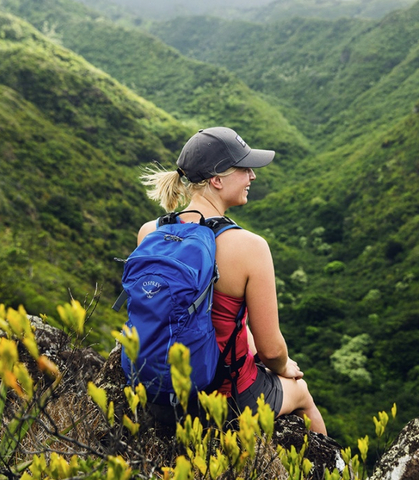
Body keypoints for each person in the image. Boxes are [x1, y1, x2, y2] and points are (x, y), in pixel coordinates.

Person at [137, 127, 327, 435]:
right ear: (217, 179)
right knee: (302, 393)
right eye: (244, 169)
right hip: (224, 402)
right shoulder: (250, 247)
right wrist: (285, 368)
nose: (252, 176)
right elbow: (271, 351)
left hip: (158, 394)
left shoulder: (150, 233)